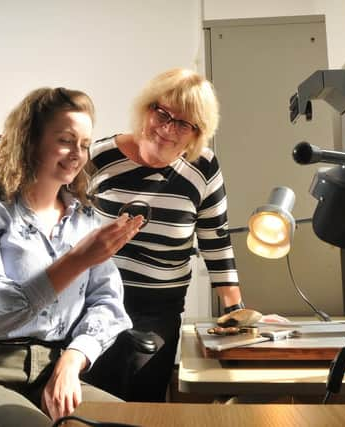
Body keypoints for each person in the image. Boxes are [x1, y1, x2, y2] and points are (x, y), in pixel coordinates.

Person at [0, 87, 144, 427]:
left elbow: (107, 304)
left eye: (84, 144)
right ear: (30, 140)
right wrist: (77, 260)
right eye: (66, 140)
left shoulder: (85, 220)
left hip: (51, 371)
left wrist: (73, 359)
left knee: (136, 422)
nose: (77, 154)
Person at [84, 68, 244, 402]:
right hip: (96, 299)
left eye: (183, 123)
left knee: (142, 391)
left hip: (159, 309)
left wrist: (236, 309)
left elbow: (215, 240)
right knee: (94, 397)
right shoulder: (99, 158)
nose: (167, 129)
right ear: (147, 108)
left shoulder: (204, 168)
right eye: (163, 113)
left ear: (197, 132)